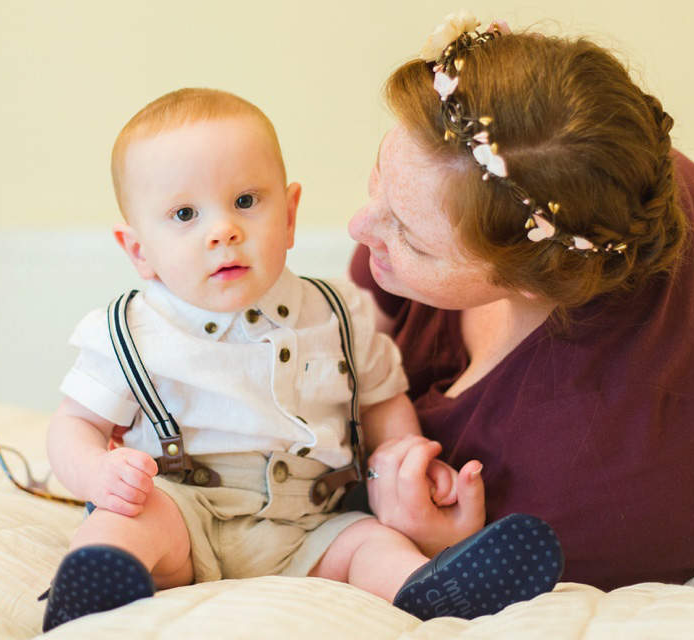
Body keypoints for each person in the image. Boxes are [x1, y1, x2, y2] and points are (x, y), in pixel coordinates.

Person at [41, 87, 562, 630]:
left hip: (311, 523)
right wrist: (96, 471)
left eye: (246, 201)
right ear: (138, 251)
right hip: (184, 513)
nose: (224, 230)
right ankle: (95, 576)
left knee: (370, 543)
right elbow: (73, 425)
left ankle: (429, 587)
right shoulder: (129, 331)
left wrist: (402, 458)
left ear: (289, 216)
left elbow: (383, 400)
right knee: (127, 519)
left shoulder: (339, 311)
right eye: (185, 214)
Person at [349, 12, 694, 592]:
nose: (357, 226)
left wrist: (444, 549)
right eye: (379, 175)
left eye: (412, 240)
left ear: (533, 280)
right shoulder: (574, 158)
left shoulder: (604, 466)